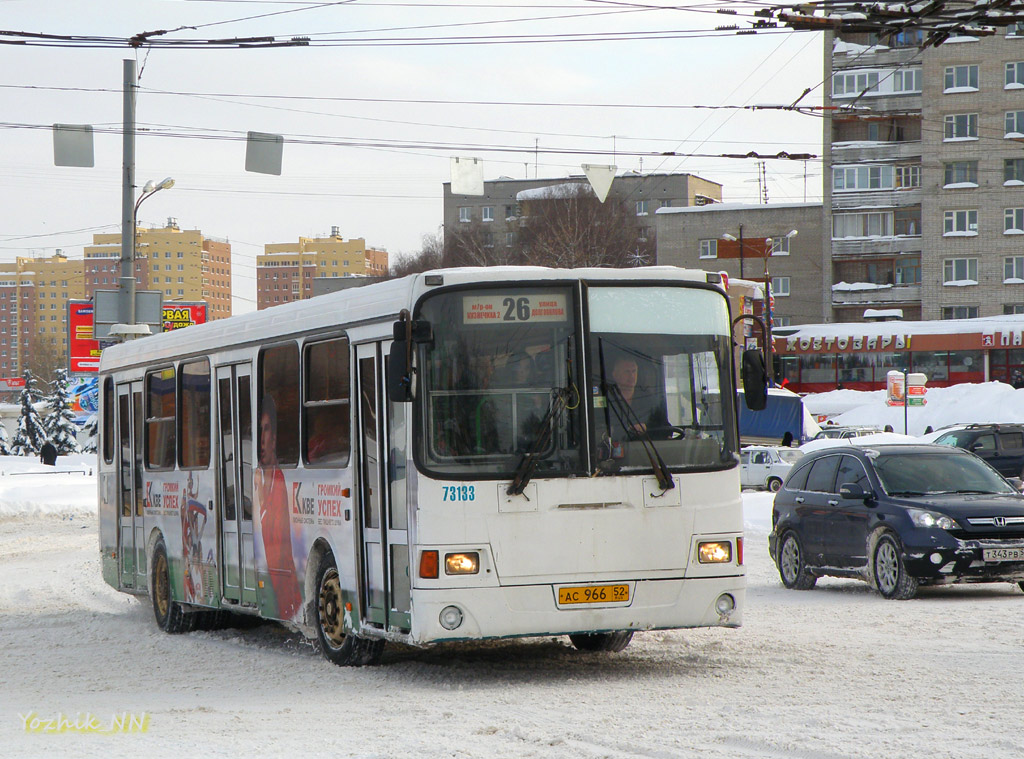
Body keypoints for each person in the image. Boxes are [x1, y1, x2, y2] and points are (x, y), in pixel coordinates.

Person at [254, 395, 302, 621]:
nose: (260, 440)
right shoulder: (256, 483)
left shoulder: (280, 486)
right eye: (256, 431)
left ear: (274, 438)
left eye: (265, 430)